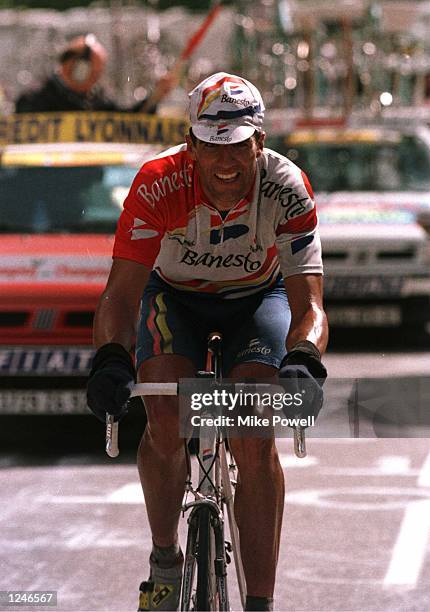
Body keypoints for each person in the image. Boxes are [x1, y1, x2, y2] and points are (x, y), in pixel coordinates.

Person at [86, 71, 328, 611]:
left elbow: (309, 304)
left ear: (260, 142)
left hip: (255, 300)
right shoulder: (158, 182)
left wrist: (304, 357)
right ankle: (165, 560)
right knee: (167, 412)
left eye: (240, 146)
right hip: (175, 299)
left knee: (253, 429)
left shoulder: (286, 187)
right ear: (191, 144)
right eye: (214, 147)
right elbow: (121, 294)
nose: (226, 163)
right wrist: (110, 359)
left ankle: (261, 601)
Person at [15, 34, 175, 114]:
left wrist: (155, 97)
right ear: (75, 67)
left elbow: (125, 122)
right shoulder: (33, 100)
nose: (95, 80)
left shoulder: (96, 99)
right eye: (92, 73)